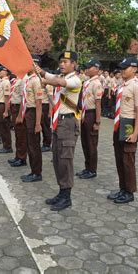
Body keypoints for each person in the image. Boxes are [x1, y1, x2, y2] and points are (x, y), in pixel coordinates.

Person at [36, 51, 82, 211]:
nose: (62, 64)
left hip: (68, 123)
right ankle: (62, 192)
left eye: (66, 62)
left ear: (74, 64)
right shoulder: (62, 78)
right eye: (61, 61)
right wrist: (41, 71)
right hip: (59, 123)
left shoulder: (75, 80)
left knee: (65, 160)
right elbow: (53, 78)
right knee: (57, 159)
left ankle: (67, 197)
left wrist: (44, 77)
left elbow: (59, 82)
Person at [107, 57, 138, 204]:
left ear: (134, 69)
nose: (122, 70)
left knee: (128, 161)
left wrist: (136, 132)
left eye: (126, 67)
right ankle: (122, 188)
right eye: (122, 68)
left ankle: (129, 191)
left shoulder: (137, 86)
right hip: (119, 125)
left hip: (129, 125)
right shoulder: (123, 85)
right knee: (119, 159)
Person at [17, 58, 44, 182]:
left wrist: (38, 123)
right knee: (30, 143)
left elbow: (39, 104)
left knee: (34, 144)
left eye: (29, 64)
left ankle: (37, 173)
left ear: (35, 65)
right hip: (28, 112)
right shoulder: (28, 80)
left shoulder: (36, 81)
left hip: (34, 113)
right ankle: (33, 170)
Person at [77, 58, 103, 180]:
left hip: (92, 114)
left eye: (89, 67)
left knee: (91, 144)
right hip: (85, 114)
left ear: (97, 69)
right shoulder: (88, 82)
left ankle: (92, 169)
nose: (86, 69)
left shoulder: (97, 83)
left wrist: (97, 121)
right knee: (85, 142)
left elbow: (98, 103)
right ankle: (87, 167)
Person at [8, 74, 28, 167]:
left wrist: (20, 115)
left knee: (21, 135)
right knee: (17, 134)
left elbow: (23, 99)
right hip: (14, 107)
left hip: (19, 108)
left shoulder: (24, 79)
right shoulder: (17, 79)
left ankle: (22, 158)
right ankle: (18, 156)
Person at [0, 66, 13, 153]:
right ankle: (5, 145)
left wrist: (6, 111)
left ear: (6, 72)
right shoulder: (1, 82)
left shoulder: (6, 82)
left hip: (3, 105)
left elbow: (7, 97)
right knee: (1, 127)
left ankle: (8, 146)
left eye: (1, 70)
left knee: (5, 127)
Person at [41, 68, 53, 152]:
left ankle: (47, 144)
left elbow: (50, 98)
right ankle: (44, 142)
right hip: (40, 105)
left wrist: (50, 111)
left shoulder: (49, 84)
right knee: (42, 125)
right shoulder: (41, 82)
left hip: (45, 106)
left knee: (46, 126)